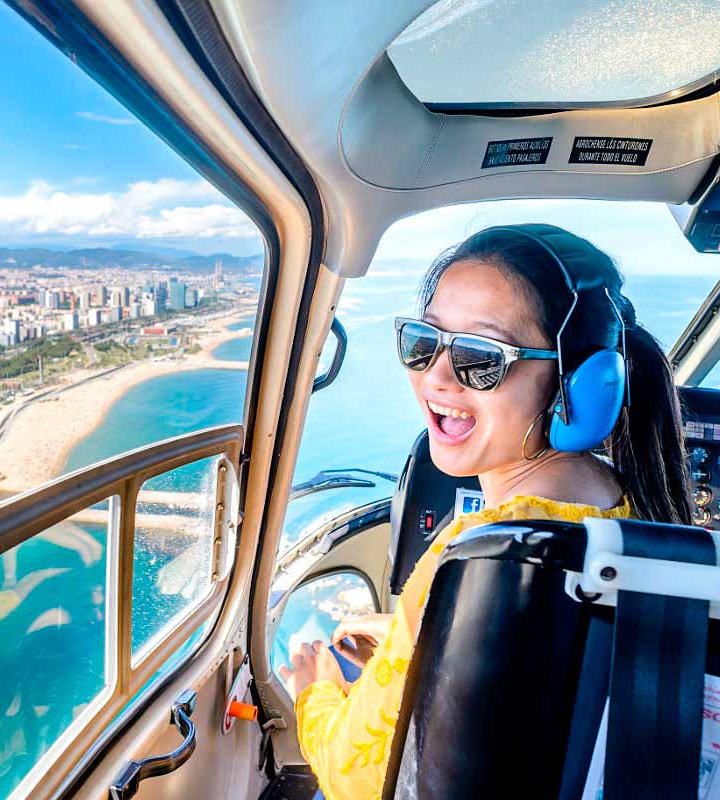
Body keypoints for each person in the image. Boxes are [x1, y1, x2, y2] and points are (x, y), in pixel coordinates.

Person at [278, 224, 693, 800]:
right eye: (424, 342)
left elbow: (360, 778)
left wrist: (314, 692)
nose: (436, 376)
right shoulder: (621, 505)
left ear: (580, 383)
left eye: (480, 356)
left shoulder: (481, 549)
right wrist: (413, 637)